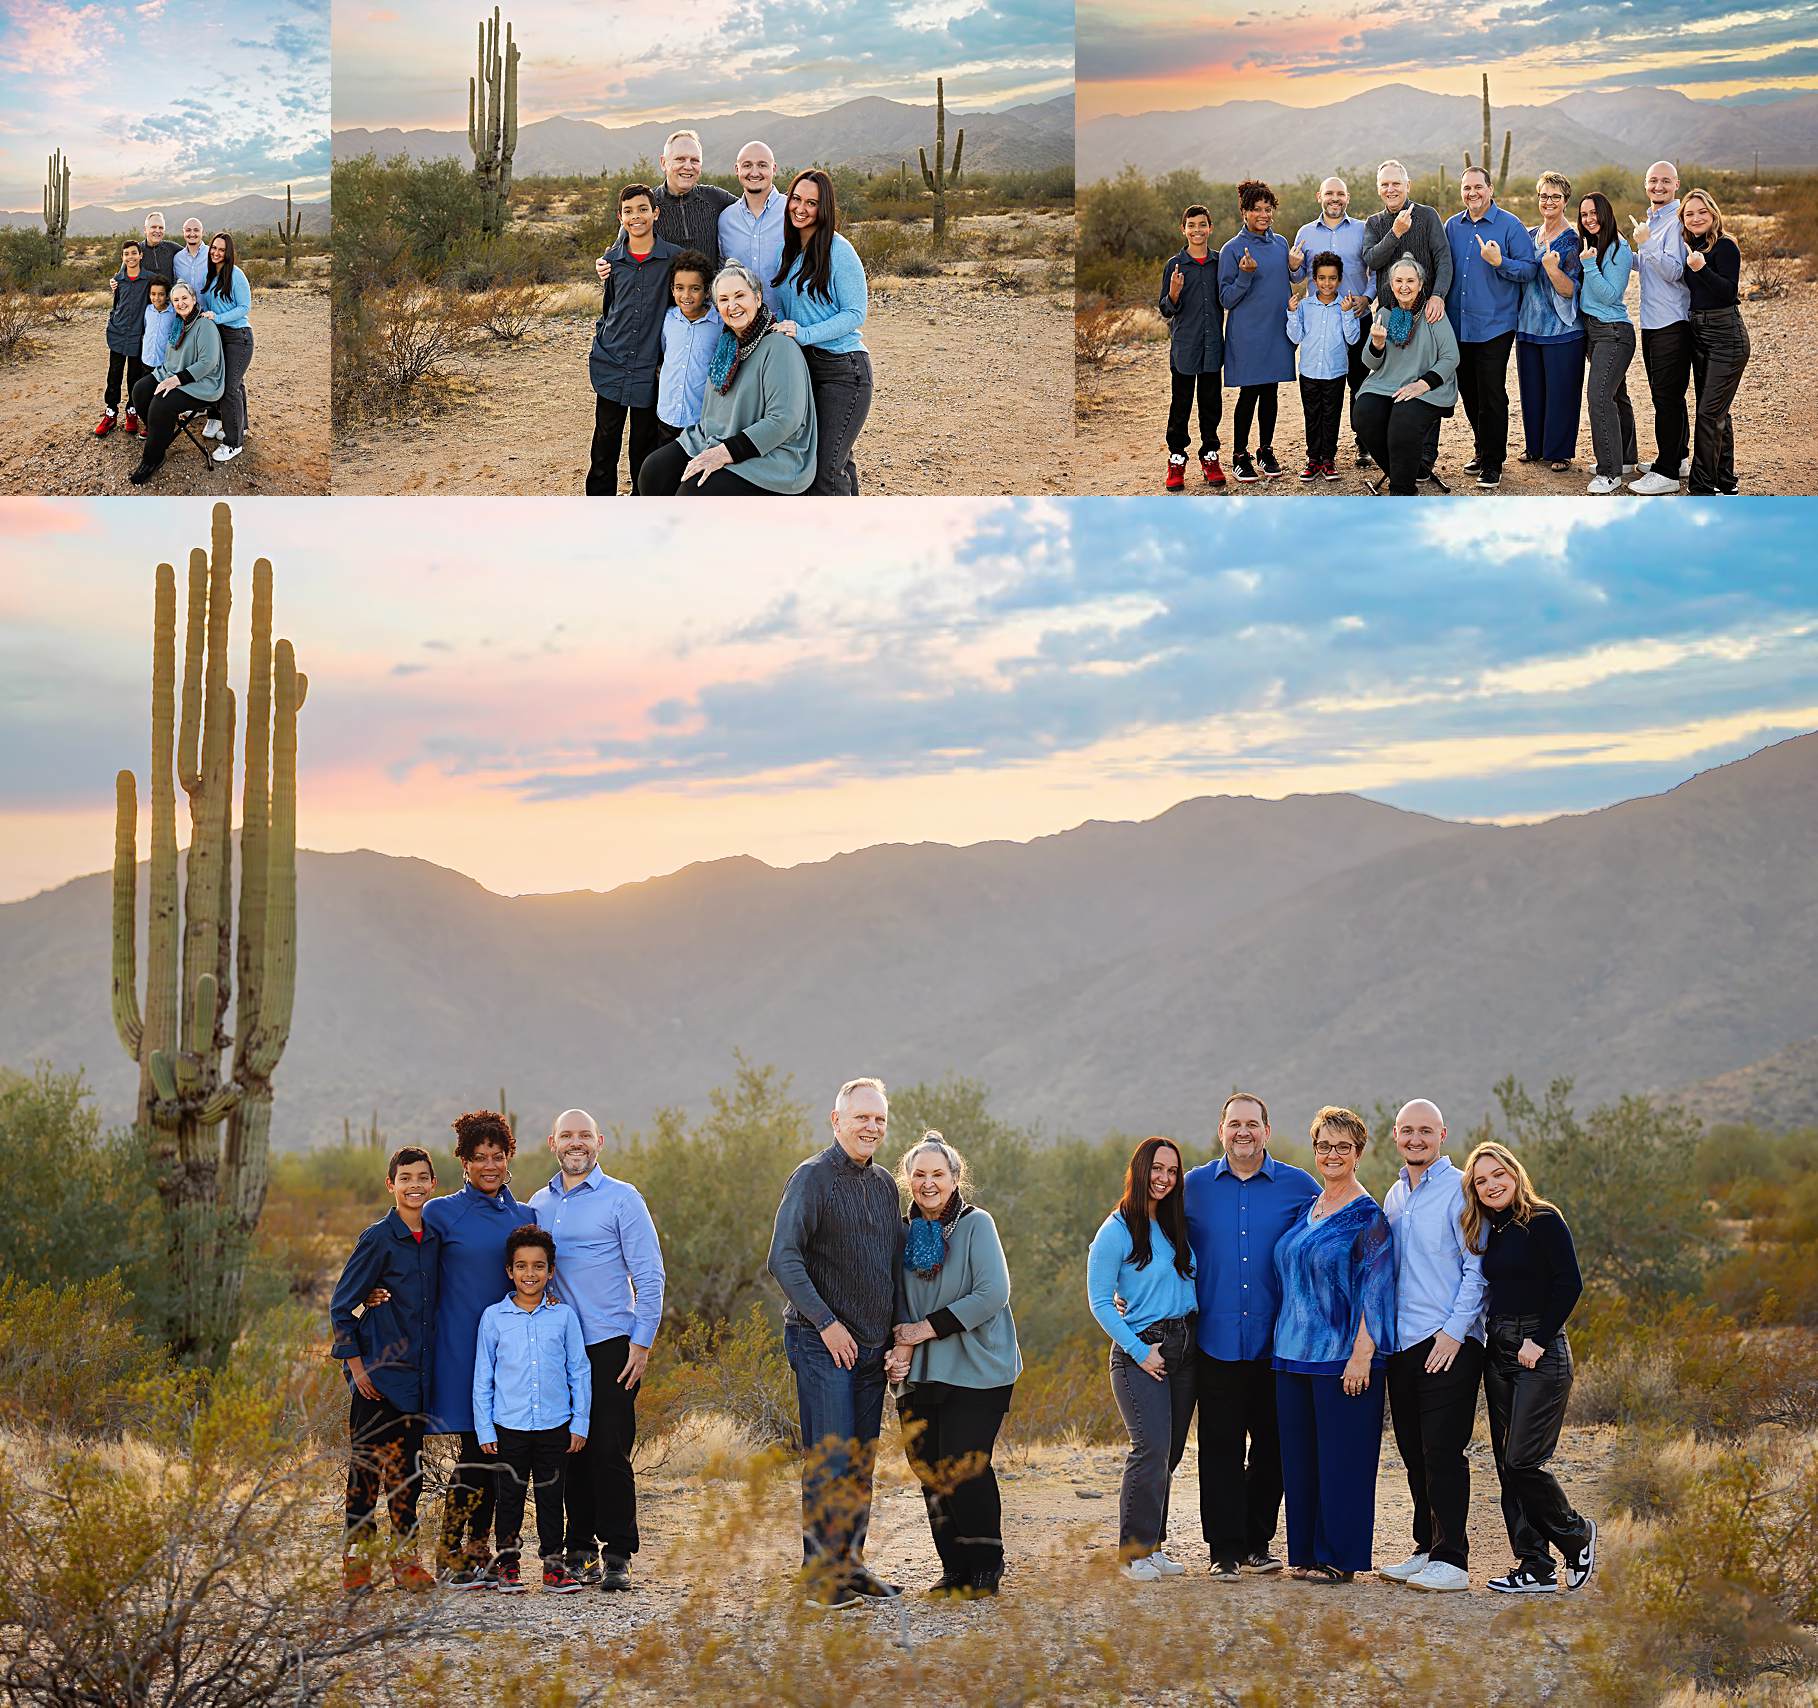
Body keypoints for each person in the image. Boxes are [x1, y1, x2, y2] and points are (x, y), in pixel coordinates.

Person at [767, 1076, 906, 1610]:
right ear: (836, 1120)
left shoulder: (885, 1187)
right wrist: (827, 1323)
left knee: (859, 1462)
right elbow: (784, 1257)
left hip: (873, 1348)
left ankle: (850, 1567)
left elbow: (891, 1269)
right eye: (861, 1118)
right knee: (829, 1461)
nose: (871, 1127)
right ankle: (820, 1578)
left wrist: (899, 1338)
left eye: (879, 1120)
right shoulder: (812, 1178)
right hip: (819, 1340)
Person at [527, 1107, 665, 1593]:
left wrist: (642, 1343)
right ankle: (578, 1547)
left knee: (608, 1450)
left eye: (584, 1135)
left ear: (600, 1142)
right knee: (570, 1451)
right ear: (552, 1143)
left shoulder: (622, 1199)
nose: (576, 1142)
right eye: (567, 1135)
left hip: (611, 1345)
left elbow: (649, 1275)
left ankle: (619, 1553)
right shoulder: (537, 1205)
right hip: (559, 1348)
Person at [1183, 1091, 1317, 1581]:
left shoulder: (1299, 1187)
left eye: (1252, 1124)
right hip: (1214, 1339)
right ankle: (1223, 1549)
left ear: (1267, 1130)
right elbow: (1146, 1231)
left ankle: (1257, 1543)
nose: (1243, 1132)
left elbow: (1342, 1222)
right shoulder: (1192, 1187)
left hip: (1277, 1341)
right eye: (1234, 1123)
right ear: (1221, 1131)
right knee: (1219, 1447)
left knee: (1272, 1446)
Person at [886, 1132, 1022, 1599]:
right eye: (919, 1175)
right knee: (929, 1470)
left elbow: (992, 1294)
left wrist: (923, 1331)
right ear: (907, 1180)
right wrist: (902, 1347)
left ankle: (987, 1566)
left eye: (937, 1175)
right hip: (922, 1373)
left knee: (964, 1465)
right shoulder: (902, 1234)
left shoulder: (975, 1224)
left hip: (978, 1367)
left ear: (955, 1177)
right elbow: (897, 1298)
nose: (928, 1184)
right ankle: (955, 1570)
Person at [1461, 1142, 1597, 1596]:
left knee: (1523, 1460)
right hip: (1498, 1349)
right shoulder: (1490, 1230)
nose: (1491, 1185)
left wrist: (1537, 1340)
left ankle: (1576, 1535)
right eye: (1481, 1181)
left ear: (1515, 1174)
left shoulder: (1543, 1219)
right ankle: (1534, 1565)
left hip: (1540, 1351)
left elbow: (1569, 1283)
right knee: (1505, 1465)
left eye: (1497, 1174)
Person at [1271, 1107, 1397, 1584]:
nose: (1331, 1154)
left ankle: (1340, 1558)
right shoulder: (1311, 1208)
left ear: (1358, 1154)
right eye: (1324, 1145)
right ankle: (1305, 1553)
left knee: (1343, 1460)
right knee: (1300, 1461)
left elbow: (1378, 1291)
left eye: (1343, 1146)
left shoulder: (1369, 1218)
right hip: (1291, 1356)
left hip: (1343, 1358)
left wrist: (1362, 1354)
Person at [1380, 1100, 1486, 1595]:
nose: (1416, 1139)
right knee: (1412, 1453)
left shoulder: (1462, 1189)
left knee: (1443, 1451)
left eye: (1425, 1130)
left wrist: (1454, 1332)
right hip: (1401, 1343)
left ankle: (1453, 1559)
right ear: (1396, 1136)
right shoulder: (1394, 1196)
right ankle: (1425, 1547)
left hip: (1448, 1343)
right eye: (1407, 1131)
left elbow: (1477, 1268)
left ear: (1443, 1133)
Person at [327, 1145, 442, 1594]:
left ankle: (405, 1562)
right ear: (391, 1185)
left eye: (423, 1177)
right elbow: (341, 1306)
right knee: (366, 1475)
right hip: (376, 1379)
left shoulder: (433, 1239)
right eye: (406, 1177)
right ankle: (356, 1565)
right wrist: (357, 1371)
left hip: (416, 1379)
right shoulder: (377, 1237)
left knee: (407, 1474)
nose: (415, 1185)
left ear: (434, 1184)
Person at [423, 1109, 528, 1585]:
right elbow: (412, 1270)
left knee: (498, 1450)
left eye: (497, 1156)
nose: (490, 1165)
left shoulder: (524, 1216)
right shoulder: (440, 1213)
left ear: (509, 1158)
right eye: (479, 1157)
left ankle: (480, 1546)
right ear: (463, 1162)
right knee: (473, 1449)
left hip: (510, 1354)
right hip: (459, 1349)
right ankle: (450, 1552)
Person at [1088, 1136, 1199, 1582]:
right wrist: (1139, 1351)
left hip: (1186, 1347)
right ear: (1139, 1170)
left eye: (1172, 1172)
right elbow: (1099, 1301)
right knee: (1149, 1448)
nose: (1164, 1178)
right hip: (1143, 1350)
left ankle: (1153, 1548)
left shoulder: (1175, 1226)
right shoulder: (1115, 1230)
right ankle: (1132, 1553)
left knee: (1168, 1453)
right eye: (1157, 1169)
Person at [473, 1223, 590, 1595]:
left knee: (551, 1496)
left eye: (539, 1266)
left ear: (551, 1271)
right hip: (509, 1425)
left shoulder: (564, 1317)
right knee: (508, 1497)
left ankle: (554, 1567)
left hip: (555, 1424)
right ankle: (508, 1564)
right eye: (521, 1266)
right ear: (509, 1270)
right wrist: (485, 1428)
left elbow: (579, 1370)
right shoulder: (494, 1318)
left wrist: (580, 1422)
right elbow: (483, 1377)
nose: (530, 1274)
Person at [635, 262, 816, 495]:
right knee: (655, 471)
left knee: (693, 492)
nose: (732, 306)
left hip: (772, 457)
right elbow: (712, 414)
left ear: (758, 298)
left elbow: (784, 420)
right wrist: (713, 446)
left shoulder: (779, 345)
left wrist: (723, 453)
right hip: (716, 438)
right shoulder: (727, 345)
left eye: (740, 295)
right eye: (723, 299)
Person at [773, 169, 871, 496]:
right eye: (796, 199)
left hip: (843, 370)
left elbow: (855, 313)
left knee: (825, 471)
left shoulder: (838, 250)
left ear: (824, 208)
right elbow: (784, 314)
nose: (801, 208)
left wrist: (805, 333)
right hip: (806, 370)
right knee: (838, 461)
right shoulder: (786, 253)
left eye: (811, 203)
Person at [1361, 160, 1452, 488]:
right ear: (1378, 188)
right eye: (1384, 184)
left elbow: (1442, 257)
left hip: (1426, 311)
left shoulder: (1427, 216)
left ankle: (1424, 457)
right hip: (1392, 313)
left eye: (1396, 183)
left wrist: (1439, 295)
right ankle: (1402, 456)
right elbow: (1371, 259)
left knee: (1425, 375)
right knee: (1399, 373)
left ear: (1407, 185)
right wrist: (1395, 233)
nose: (1391, 189)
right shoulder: (1374, 222)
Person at [1445, 167, 1537, 489]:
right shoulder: (1451, 226)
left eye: (1478, 187)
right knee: (1468, 390)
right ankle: (1482, 449)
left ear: (1490, 188)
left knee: (1492, 393)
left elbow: (1529, 270)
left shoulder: (1510, 225)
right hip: (1459, 324)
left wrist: (1501, 263)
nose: (1472, 193)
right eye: (1466, 187)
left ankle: (1494, 462)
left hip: (1496, 325)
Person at [585, 184, 680, 495]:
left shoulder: (673, 259)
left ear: (655, 213)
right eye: (628, 211)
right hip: (611, 365)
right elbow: (609, 308)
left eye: (642, 209)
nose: (636, 216)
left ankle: (641, 513)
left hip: (648, 370)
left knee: (643, 450)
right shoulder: (612, 261)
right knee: (604, 447)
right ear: (620, 217)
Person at [1355, 256, 1460, 495]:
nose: (1404, 286)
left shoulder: (1433, 313)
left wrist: (1422, 385)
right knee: (1364, 414)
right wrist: (1378, 344)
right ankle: (1406, 470)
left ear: (1421, 284)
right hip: (1386, 382)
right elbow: (1368, 362)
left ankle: (1402, 490)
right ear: (1391, 285)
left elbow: (1451, 357)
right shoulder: (1384, 313)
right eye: (1399, 281)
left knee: (1403, 420)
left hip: (1429, 387)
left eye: (1410, 281)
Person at [1289, 176, 1374, 464]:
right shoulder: (1305, 233)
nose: (1334, 199)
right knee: (1327, 383)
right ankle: (1320, 453)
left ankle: (1363, 442)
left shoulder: (1363, 230)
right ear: (1319, 197)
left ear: (1347, 198)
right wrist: (1293, 267)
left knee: (1360, 382)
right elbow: (1300, 277)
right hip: (1321, 322)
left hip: (1357, 316)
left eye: (1340, 194)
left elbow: (1375, 270)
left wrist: (1368, 297)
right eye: (1329, 194)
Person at [1217, 180, 1295, 481]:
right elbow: (1226, 298)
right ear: (1244, 212)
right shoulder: (1232, 249)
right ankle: (1239, 455)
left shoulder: (1281, 244)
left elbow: (1290, 276)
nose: (1263, 214)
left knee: (1271, 391)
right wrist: (1245, 276)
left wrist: (1297, 267)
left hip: (1277, 329)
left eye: (1267, 208)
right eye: (1256, 209)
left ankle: (1265, 450)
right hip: (1248, 333)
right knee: (1250, 393)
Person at [1629, 161, 1694, 495]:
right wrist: (1627, 255)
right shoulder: (1652, 218)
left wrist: (1647, 243)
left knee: (1666, 398)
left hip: (1672, 320)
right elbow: (1650, 268)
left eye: (1665, 181)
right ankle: (1679, 456)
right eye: (1653, 180)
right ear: (1645, 184)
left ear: (1676, 185)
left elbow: (1674, 271)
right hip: (1652, 320)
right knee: (1669, 395)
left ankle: (1666, 472)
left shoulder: (1678, 221)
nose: (1658, 186)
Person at [1681, 189, 1749, 497]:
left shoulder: (1725, 246)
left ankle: (1701, 489)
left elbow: (1727, 292)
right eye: (1689, 214)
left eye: (1702, 213)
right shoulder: (1690, 245)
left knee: (1708, 413)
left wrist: (1701, 269)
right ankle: (1725, 480)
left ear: (1713, 215)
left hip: (1727, 337)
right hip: (1699, 333)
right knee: (1717, 410)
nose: (1696, 218)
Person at [1515, 173, 1583, 473]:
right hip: (1528, 327)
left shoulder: (1572, 239)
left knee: (1562, 390)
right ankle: (1535, 446)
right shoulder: (1529, 236)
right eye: (1544, 195)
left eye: (1555, 196)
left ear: (1565, 201)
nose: (1549, 201)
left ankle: (1559, 452)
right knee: (1532, 389)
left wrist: (1552, 269)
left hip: (1563, 329)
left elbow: (1570, 289)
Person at [125, 282, 224, 486]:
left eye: (185, 298)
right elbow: (171, 359)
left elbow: (208, 362)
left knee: (161, 402)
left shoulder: (204, 325)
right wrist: (167, 376)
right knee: (141, 390)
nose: (181, 303)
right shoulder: (178, 323)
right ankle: (160, 433)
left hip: (202, 382)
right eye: (176, 300)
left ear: (194, 299)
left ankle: (152, 458)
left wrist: (177, 380)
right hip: (173, 372)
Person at [1157, 204, 1226, 490]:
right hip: (1185, 347)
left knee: (1211, 404)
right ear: (1182, 229)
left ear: (1210, 227)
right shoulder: (1174, 265)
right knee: (1181, 404)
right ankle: (1176, 458)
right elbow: (1165, 308)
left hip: (1212, 346)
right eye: (1191, 225)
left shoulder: (1220, 262)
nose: (1197, 230)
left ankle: (1210, 455)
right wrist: (1174, 292)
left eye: (1202, 224)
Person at [1576, 192, 1639, 495]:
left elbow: (1611, 295)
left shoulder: (1618, 248)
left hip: (1613, 332)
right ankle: (1625, 459)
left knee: (1599, 397)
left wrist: (1588, 265)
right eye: (1584, 214)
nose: (1589, 219)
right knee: (1616, 396)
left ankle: (1610, 472)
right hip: (1595, 331)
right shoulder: (1593, 244)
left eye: (1593, 213)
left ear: (1606, 213)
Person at [1287, 252, 1361, 479]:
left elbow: (1353, 339)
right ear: (1314, 279)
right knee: (1312, 415)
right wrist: (1291, 313)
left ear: (1339, 279)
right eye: (1321, 278)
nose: (1326, 283)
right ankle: (1313, 460)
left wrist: (1348, 314)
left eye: (1332, 278)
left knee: (1331, 415)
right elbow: (1295, 337)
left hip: (1335, 372)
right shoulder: (1305, 306)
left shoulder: (1346, 306)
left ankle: (1328, 460)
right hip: (1309, 371)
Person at [654, 250, 721, 448]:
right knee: (666, 471)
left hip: (700, 419)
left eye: (694, 289)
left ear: (707, 291)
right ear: (672, 290)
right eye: (680, 288)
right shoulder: (667, 319)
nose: (686, 295)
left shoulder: (719, 324)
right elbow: (664, 351)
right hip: (667, 414)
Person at [198, 231, 253, 464]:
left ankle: (233, 443)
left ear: (228, 253)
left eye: (221, 249)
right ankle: (242, 428)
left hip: (238, 337)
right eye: (214, 248)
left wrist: (217, 318)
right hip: (219, 338)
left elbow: (244, 307)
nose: (216, 253)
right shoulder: (211, 276)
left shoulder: (236, 275)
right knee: (234, 384)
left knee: (229, 389)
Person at [719, 141, 786, 312]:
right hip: (742, 326)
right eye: (747, 165)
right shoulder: (726, 219)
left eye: (762, 165)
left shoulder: (792, 212)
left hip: (788, 324)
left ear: (774, 168)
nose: (754, 172)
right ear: (737, 170)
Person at [98, 239, 152, 439]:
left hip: (138, 337)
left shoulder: (149, 280)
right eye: (126, 254)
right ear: (123, 257)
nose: (130, 257)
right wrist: (112, 322)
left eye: (133, 253)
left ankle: (132, 412)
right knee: (114, 375)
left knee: (134, 377)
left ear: (140, 255)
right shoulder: (117, 280)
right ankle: (110, 413)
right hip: (118, 335)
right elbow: (116, 304)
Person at [140, 279, 174, 379]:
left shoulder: (174, 313)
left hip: (163, 363)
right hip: (146, 360)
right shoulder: (147, 310)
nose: (156, 298)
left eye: (161, 294)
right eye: (153, 294)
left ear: (167, 296)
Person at [172, 217, 209, 299]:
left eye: (196, 230)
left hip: (209, 310)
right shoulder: (177, 259)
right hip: (185, 310)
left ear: (202, 232)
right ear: (183, 232)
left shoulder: (211, 254)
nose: (192, 234)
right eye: (188, 230)